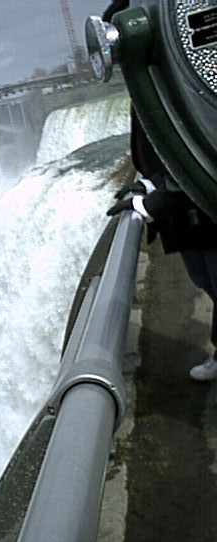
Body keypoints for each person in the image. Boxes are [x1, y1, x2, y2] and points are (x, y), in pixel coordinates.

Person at [103, 0, 217, 381]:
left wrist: (157, 200)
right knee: (205, 280)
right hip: (188, 210)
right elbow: (159, 143)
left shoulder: (170, 78)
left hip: (197, 205)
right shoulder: (155, 78)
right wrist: (150, 181)